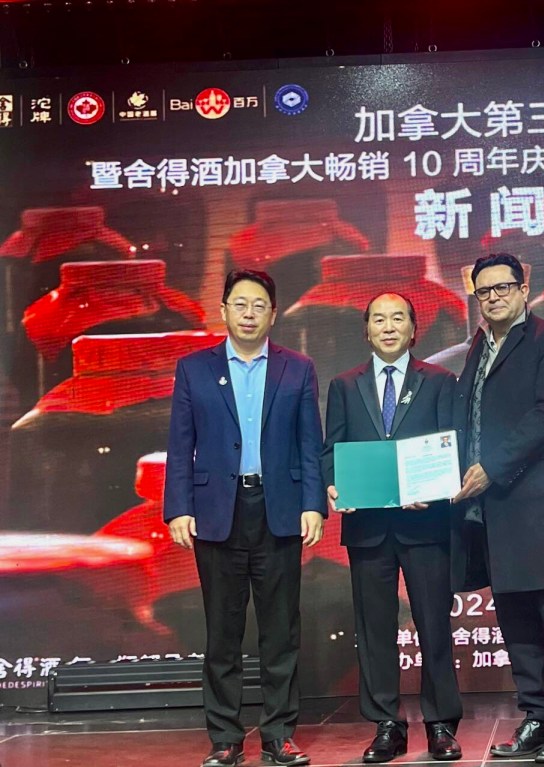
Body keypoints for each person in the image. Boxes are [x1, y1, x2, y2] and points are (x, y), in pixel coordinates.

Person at [165, 269, 325, 767]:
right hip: (218, 512)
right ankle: (225, 738)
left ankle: (279, 734)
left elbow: (310, 444)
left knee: (281, 629)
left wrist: (313, 503)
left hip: (279, 509)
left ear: (273, 314)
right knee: (223, 631)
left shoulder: (297, 368)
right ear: (223, 311)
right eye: (240, 304)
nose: (249, 313)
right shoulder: (194, 369)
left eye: (259, 305)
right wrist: (178, 508)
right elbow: (180, 446)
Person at [451, 253, 544, 763]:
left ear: (523, 289)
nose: (493, 298)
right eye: (483, 291)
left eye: (502, 288)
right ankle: (537, 716)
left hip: (542, 503)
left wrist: (491, 466)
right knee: (515, 620)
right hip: (495, 508)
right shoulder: (478, 347)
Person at [321, 292, 463, 764]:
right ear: (366, 331)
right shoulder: (344, 385)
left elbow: (451, 445)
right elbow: (331, 450)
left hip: (426, 524)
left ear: (413, 329)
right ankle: (387, 725)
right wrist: (333, 484)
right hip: (368, 527)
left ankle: (441, 723)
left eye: (397, 318)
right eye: (378, 319)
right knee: (374, 630)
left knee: (434, 625)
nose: (388, 326)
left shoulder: (440, 381)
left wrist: (438, 489)